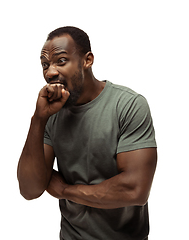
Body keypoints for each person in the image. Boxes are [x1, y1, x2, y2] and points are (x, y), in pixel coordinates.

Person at [17, 26, 157, 240]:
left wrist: (64, 191)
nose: (50, 72)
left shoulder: (128, 105)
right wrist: (39, 118)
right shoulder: (51, 114)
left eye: (61, 61)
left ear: (87, 60)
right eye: (45, 65)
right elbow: (30, 189)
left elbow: (134, 190)